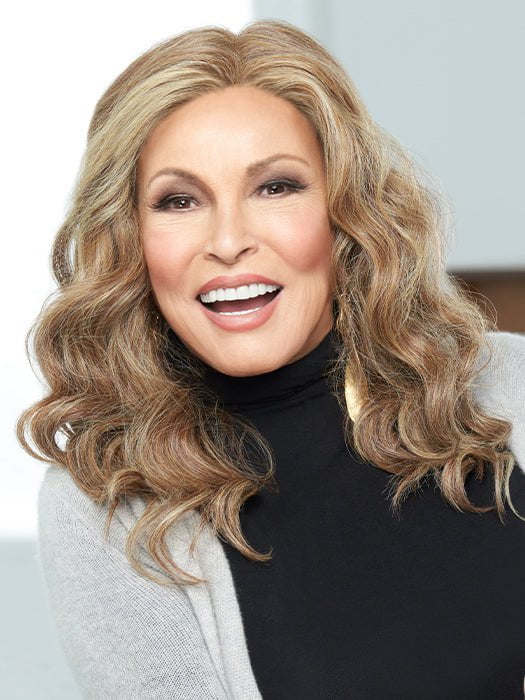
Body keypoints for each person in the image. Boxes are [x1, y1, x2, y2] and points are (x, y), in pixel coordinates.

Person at [17, 18, 525, 699]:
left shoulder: (509, 385)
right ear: (131, 240)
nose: (228, 240)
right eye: (178, 200)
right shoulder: (106, 501)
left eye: (276, 187)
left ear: (345, 211)